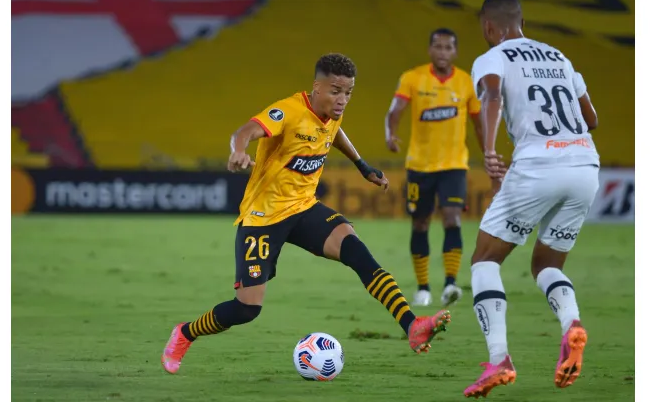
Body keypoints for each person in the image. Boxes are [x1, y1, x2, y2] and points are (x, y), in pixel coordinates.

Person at [161, 53, 451, 375]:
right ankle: (185, 333)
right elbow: (245, 131)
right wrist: (238, 151)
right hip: (263, 218)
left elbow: (335, 132)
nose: (342, 100)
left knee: (357, 251)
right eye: (336, 91)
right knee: (246, 309)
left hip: (303, 207)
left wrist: (362, 166)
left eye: (348, 93)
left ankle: (412, 325)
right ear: (316, 87)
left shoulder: (332, 113)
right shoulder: (288, 111)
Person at [464, 0, 600, 398]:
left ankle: (499, 359)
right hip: (585, 166)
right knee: (545, 264)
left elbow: (491, 95)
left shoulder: (492, 58)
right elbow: (590, 118)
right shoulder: (559, 56)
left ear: (489, 27)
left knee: (485, 260)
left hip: (537, 167)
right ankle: (572, 323)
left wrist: (489, 150)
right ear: (521, 21)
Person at [385, 28, 484, 308]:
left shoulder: (466, 82)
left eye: (448, 48)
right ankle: (423, 287)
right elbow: (394, 111)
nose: (442, 52)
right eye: (438, 47)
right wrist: (390, 134)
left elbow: (479, 122)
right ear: (430, 50)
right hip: (419, 166)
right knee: (420, 223)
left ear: (455, 52)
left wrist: (488, 152)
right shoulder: (412, 78)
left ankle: (451, 284)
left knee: (452, 218)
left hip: (454, 165)